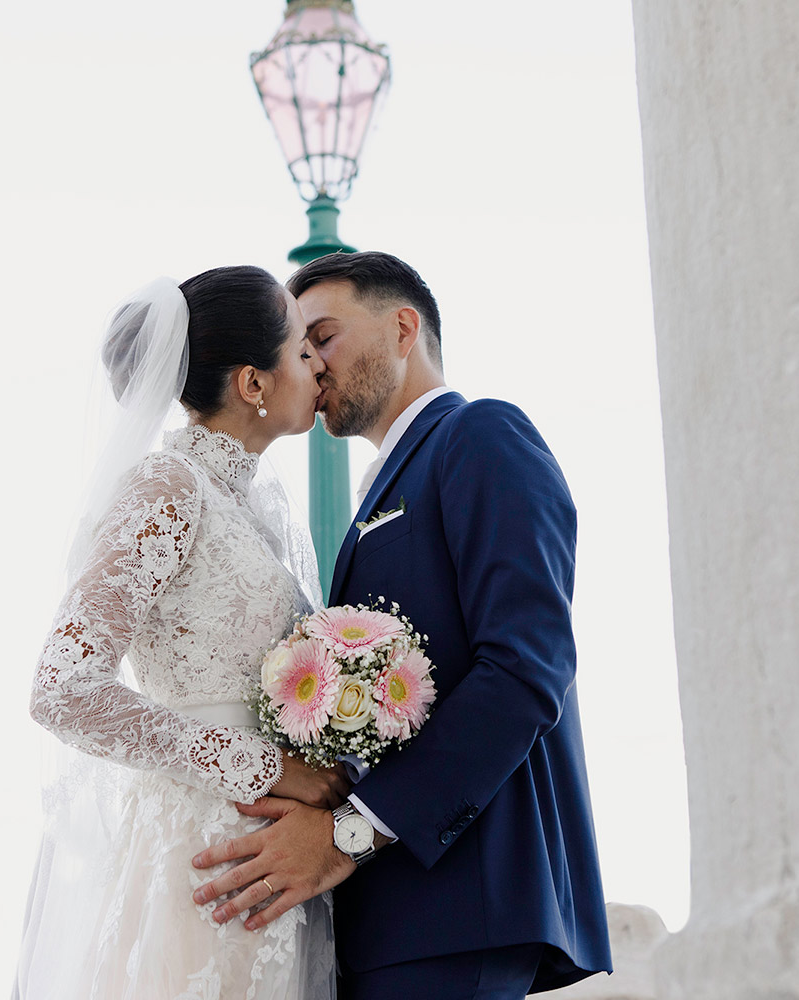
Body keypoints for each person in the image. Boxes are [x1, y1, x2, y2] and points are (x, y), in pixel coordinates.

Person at [191, 252, 614, 999]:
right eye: (299, 346)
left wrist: (347, 836)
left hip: (460, 901)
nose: (310, 365)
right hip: (385, 916)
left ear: (402, 328)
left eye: (322, 335)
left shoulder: (481, 434)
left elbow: (526, 668)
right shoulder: (378, 493)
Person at [14, 265, 350, 999]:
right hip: (201, 848)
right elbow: (63, 690)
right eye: (300, 350)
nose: (318, 362)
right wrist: (263, 770)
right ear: (253, 383)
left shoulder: (267, 508)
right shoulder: (166, 487)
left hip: (278, 856)